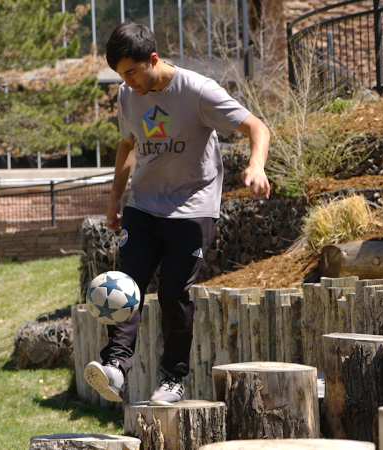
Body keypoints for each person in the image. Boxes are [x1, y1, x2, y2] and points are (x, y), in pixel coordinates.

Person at [83, 22, 270, 406]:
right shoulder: (127, 95)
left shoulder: (198, 90)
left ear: (153, 59)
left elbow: (257, 127)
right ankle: (116, 366)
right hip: (144, 205)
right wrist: (114, 200)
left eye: (133, 71)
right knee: (125, 285)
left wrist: (257, 166)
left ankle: (173, 378)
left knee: (172, 291)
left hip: (193, 207)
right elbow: (126, 147)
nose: (128, 82)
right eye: (121, 75)